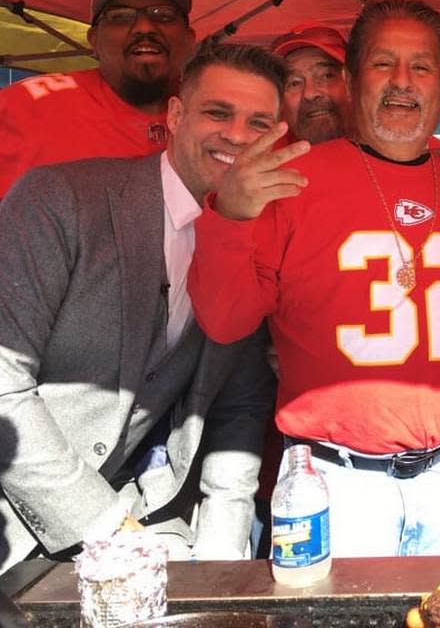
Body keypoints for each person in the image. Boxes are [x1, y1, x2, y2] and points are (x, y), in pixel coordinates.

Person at [188, 0, 440, 558]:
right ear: (354, 80)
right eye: (383, 64)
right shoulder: (289, 182)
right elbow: (225, 319)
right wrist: (231, 217)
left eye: (422, 67)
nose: (401, 82)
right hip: (334, 480)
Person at [0, 41, 280, 572]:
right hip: (17, 521)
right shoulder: (57, 199)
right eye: (218, 112)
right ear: (175, 115)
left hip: (155, 520)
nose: (238, 136)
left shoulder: (255, 237)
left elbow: (238, 404)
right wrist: (106, 527)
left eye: (259, 124)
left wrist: (221, 558)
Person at [0, 0, 196, 197]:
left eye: (163, 15)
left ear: (189, 39)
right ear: (94, 39)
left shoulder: (227, 118)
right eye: (119, 16)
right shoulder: (22, 106)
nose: (144, 27)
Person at [270, 22, 353, 144]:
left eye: (326, 75)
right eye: (294, 83)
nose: (310, 94)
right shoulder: (266, 158)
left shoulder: (388, 150)